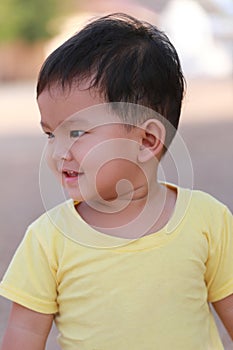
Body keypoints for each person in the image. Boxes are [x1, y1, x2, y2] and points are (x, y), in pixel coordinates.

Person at [0, 13, 232, 350]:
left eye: (77, 132)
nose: (58, 151)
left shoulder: (207, 221)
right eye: (50, 134)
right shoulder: (48, 240)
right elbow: (23, 334)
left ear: (146, 141)